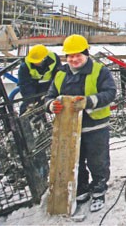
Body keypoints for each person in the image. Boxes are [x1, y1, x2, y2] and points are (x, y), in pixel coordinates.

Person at [44, 34, 116, 212]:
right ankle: (82, 188)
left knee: (97, 160)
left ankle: (99, 190)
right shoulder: (61, 74)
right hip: (69, 129)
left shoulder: (100, 71)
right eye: (70, 56)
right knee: (75, 160)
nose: (74, 59)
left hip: (95, 126)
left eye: (78, 55)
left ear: (86, 54)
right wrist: (51, 105)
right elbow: (49, 96)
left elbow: (110, 93)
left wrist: (89, 101)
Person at [17, 44, 61, 115]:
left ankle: (41, 118)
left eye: (37, 61)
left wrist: (55, 91)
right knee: (27, 105)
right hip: (32, 84)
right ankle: (25, 122)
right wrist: (30, 101)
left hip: (49, 83)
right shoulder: (25, 66)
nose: (35, 63)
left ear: (44, 58)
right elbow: (24, 85)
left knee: (43, 102)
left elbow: (58, 76)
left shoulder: (54, 59)